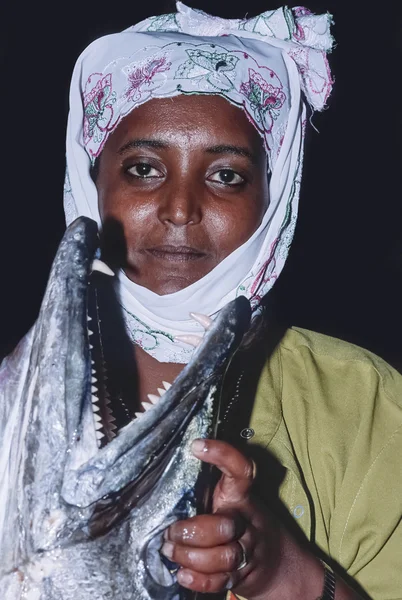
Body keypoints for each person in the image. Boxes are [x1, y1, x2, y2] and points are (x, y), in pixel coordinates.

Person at [7, 3, 402, 599]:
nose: (180, 208)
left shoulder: (367, 409)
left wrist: (280, 570)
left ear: (275, 198)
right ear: (92, 182)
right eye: (143, 168)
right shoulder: (12, 410)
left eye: (226, 175)